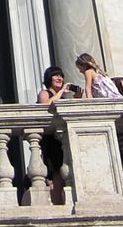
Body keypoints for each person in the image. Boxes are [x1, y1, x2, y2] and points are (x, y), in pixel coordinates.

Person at [35, 69, 73, 204]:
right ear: (49, 79)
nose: (59, 78)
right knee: (57, 176)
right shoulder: (44, 93)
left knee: (66, 175)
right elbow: (45, 106)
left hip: (63, 140)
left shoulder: (61, 97)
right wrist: (62, 91)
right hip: (51, 141)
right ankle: (57, 204)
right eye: (56, 75)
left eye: (61, 75)